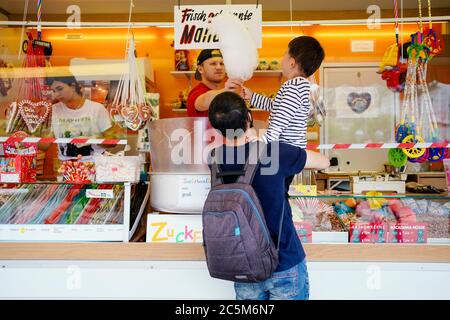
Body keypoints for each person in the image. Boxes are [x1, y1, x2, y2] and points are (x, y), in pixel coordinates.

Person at [208, 91, 330, 300]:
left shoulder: (214, 158)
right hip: (284, 262)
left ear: (216, 126)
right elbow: (323, 162)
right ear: (248, 118)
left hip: (244, 264)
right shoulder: (274, 151)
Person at [242, 36, 325, 149]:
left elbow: (281, 118)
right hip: (291, 148)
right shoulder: (300, 85)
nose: (282, 58)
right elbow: (276, 107)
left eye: (285, 53)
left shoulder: (294, 86)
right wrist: (252, 96)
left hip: (287, 149)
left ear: (292, 63)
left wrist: (263, 141)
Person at [42, 74, 115, 161]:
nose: (56, 94)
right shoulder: (54, 110)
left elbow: (112, 142)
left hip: (95, 167)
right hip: (67, 169)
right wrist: (26, 137)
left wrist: (92, 139)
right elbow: (45, 145)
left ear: (72, 86)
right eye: (53, 91)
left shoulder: (97, 109)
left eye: (60, 89)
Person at [186, 49, 242, 117]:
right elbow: (205, 100)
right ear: (200, 69)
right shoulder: (195, 93)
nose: (219, 67)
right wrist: (227, 90)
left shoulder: (221, 92)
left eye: (222, 64)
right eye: (213, 64)